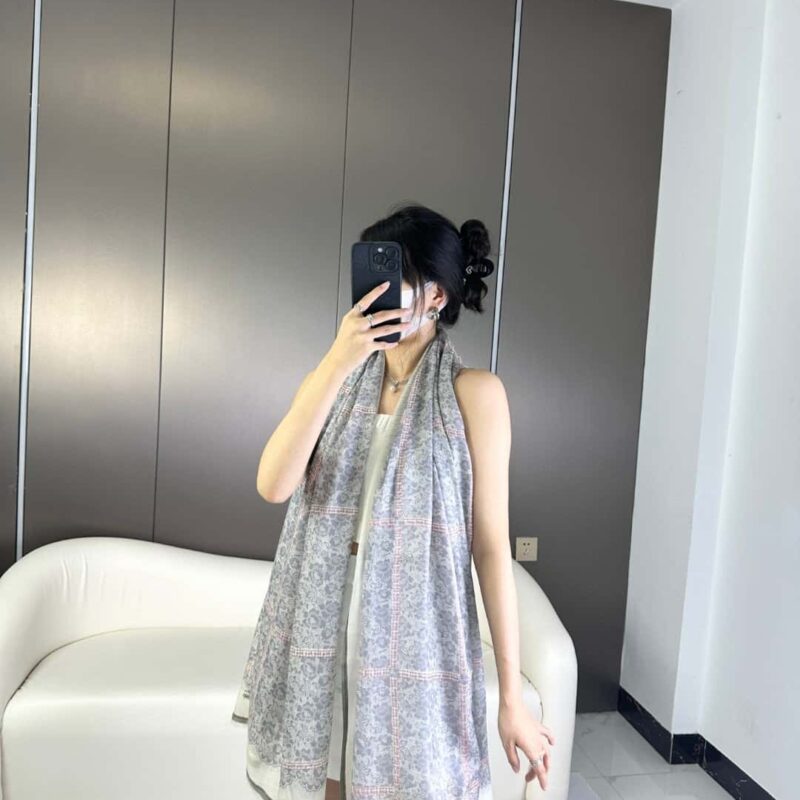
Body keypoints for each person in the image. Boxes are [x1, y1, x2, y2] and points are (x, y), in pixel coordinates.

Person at [237, 203, 555, 799]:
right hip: (323, 632)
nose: (375, 294)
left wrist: (511, 698)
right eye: (370, 276)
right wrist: (337, 360)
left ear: (435, 297)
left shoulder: (475, 395)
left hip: (415, 642)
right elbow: (273, 485)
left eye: (394, 279)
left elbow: (491, 548)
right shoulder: (333, 381)